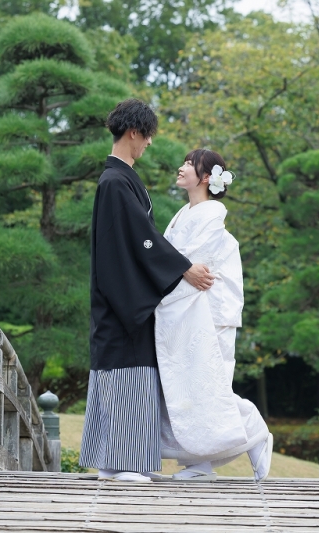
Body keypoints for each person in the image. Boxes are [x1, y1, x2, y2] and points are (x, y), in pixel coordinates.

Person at [79, 99, 215, 483]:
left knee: (117, 371)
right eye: (148, 136)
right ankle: (126, 464)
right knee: (128, 372)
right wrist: (184, 268)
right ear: (134, 132)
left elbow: (142, 238)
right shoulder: (115, 182)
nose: (149, 143)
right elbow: (143, 239)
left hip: (121, 295)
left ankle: (110, 463)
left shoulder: (118, 179)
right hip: (123, 299)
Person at [155, 149, 273, 482]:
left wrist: (164, 275)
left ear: (207, 177)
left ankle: (253, 430)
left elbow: (194, 265)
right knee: (188, 388)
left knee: (208, 387)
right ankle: (201, 464)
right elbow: (179, 262)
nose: (181, 168)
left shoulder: (211, 216)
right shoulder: (185, 213)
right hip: (189, 312)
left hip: (209, 314)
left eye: (189, 164)